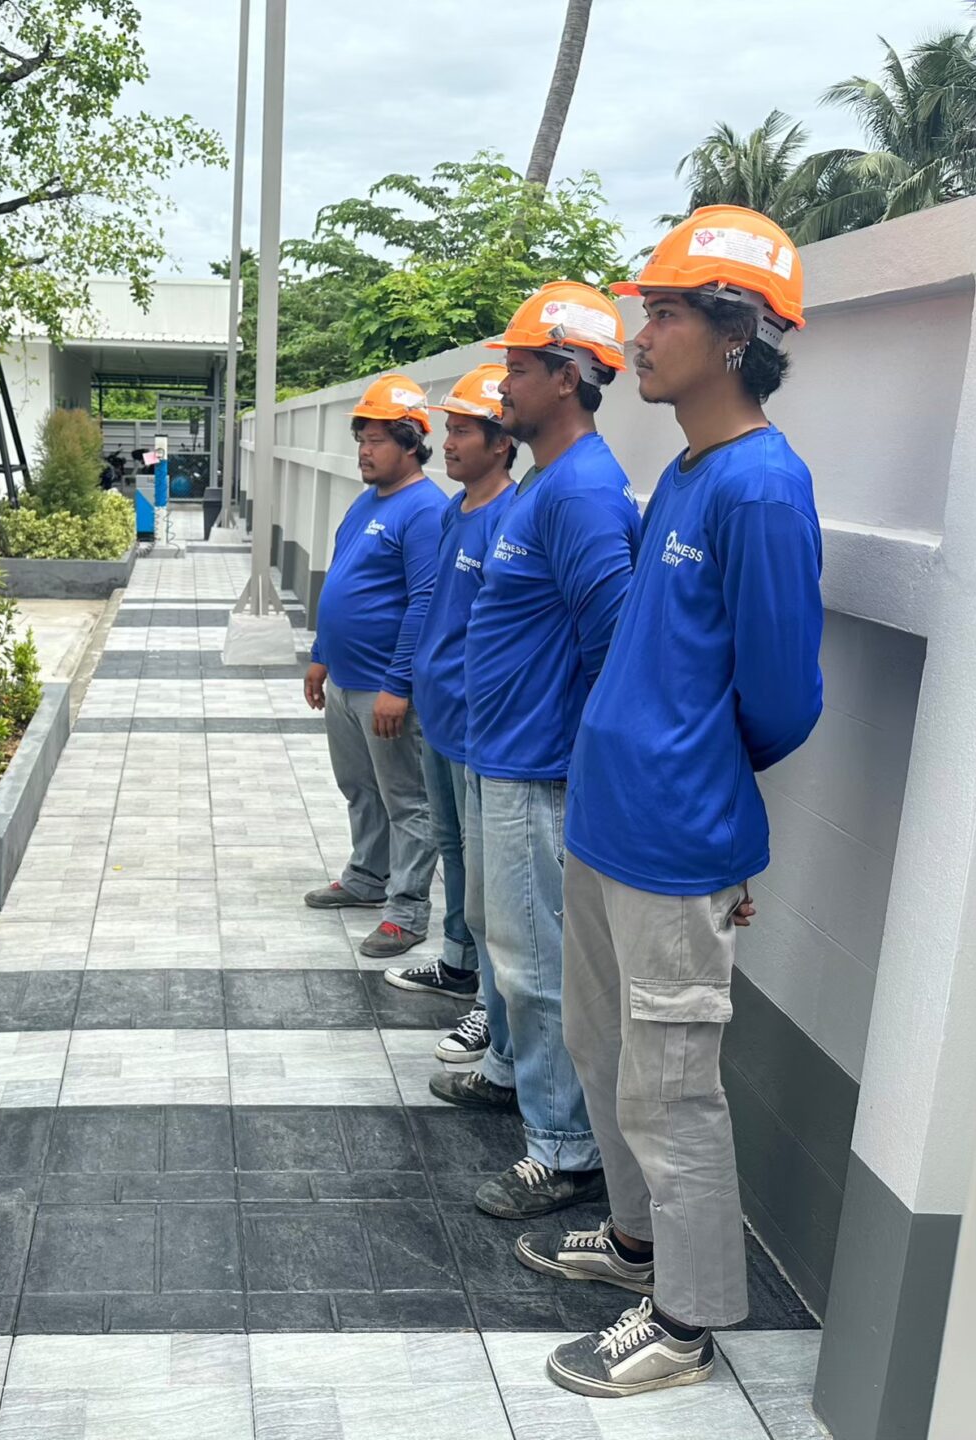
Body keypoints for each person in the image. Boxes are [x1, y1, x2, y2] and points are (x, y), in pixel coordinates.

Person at [530, 206, 822, 1400]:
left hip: (672, 843)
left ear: (735, 331)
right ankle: (636, 1241)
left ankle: (686, 1323)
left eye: (662, 314)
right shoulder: (690, 473)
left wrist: (694, 788)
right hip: (609, 828)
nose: (639, 337)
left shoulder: (763, 490)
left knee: (673, 1088)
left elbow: (783, 699)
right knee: (603, 1053)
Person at [429, 284, 641, 1227]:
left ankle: (563, 1150)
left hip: (538, 767)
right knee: (502, 937)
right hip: (499, 754)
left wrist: (579, 773)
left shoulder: (584, 493)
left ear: (566, 378)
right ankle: (511, 1071)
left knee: (538, 965)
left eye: (516, 369)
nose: (502, 385)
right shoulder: (550, 485)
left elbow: (614, 650)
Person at [382, 364, 518, 1071]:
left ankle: (491, 1008)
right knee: (454, 848)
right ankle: (459, 962)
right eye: (451, 428)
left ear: (501, 442)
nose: (451, 442)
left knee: (490, 872)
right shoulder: (453, 511)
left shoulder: (510, 516)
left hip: (478, 725)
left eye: (464, 430)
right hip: (439, 714)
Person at [302, 374, 448, 959]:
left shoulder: (426, 511)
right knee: (359, 787)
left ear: (411, 443)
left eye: (377, 440)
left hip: (385, 688)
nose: (364, 451)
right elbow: (341, 580)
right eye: (361, 439)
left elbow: (425, 601)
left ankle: (407, 911)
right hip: (345, 681)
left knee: (407, 801)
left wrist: (398, 684)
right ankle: (367, 875)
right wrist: (320, 657)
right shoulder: (366, 503)